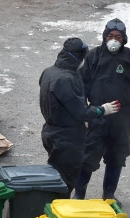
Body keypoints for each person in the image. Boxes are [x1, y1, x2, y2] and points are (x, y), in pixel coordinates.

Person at [74, 19, 130, 202]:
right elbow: (81, 85)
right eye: (110, 36)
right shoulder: (93, 56)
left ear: (124, 39)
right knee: (89, 155)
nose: (114, 40)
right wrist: (84, 112)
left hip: (122, 115)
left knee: (117, 155)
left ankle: (109, 194)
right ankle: (79, 193)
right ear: (104, 37)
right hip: (97, 112)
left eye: (118, 37)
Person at [39, 37, 121, 193]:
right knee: (65, 182)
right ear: (78, 57)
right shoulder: (67, 79)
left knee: (56, 175)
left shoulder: (48, 72)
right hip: (66, 139)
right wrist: (102, 110)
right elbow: (81, 112)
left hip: (50, 132)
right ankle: (59, 211)